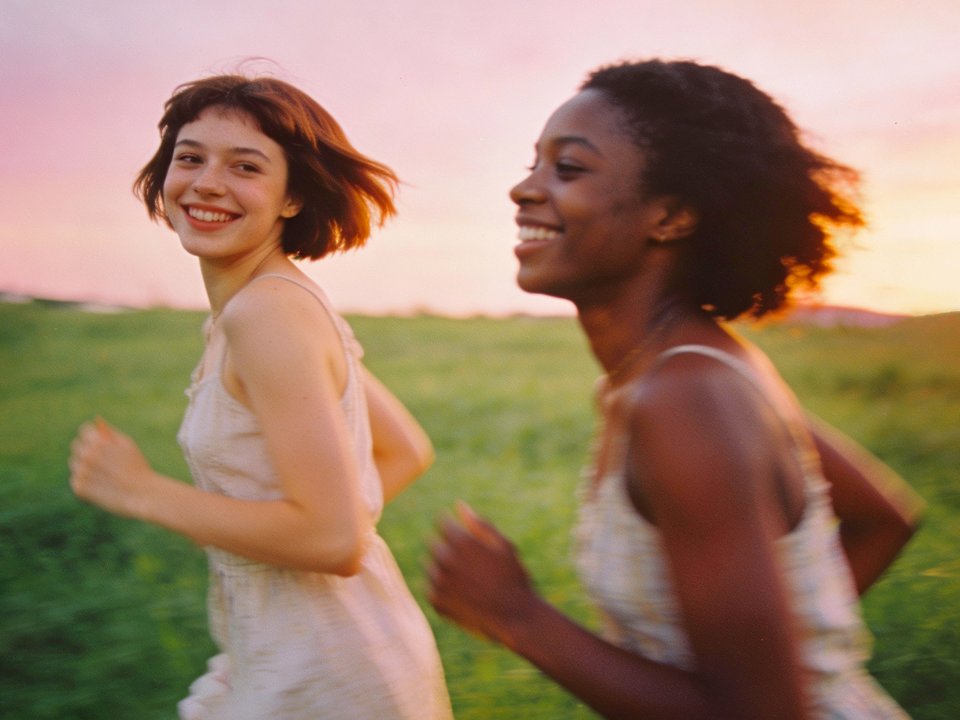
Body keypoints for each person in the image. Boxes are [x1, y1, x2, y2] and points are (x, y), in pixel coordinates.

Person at [427, 59, 924, 719]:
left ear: (672, 217)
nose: (523, 190)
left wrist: (518, 617)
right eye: (534, 163)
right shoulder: (677, 371)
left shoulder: (688, 398)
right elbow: (881, 520)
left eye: (567, 169)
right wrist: (780, 637)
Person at [68, 74, 453, 720]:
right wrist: (261, 537)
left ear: (292, 197)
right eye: (190, 158)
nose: (208, 183)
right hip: (299, 644)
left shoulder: (267, 314)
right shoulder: (258, 309)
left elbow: (333, 538)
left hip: (327, 672)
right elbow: (404, 450)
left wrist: (141, 490)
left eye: (245, 166)